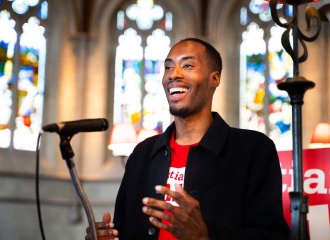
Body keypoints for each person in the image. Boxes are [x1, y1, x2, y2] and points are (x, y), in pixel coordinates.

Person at [85, 38, 290, 240]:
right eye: (168, 67)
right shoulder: (142, 154)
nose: (173, 74)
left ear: (214, 79)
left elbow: (273, 235)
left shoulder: (253, 150)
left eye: (188, 65)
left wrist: (205, 235)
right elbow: (124, 230)